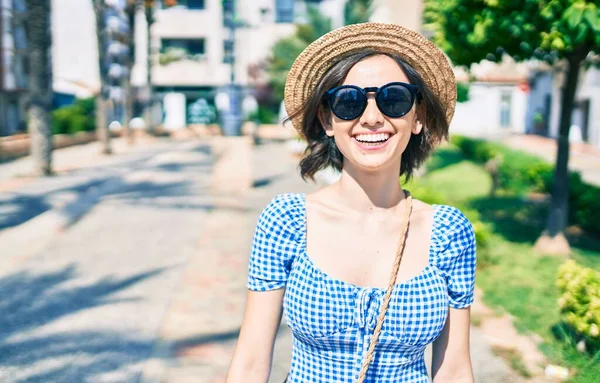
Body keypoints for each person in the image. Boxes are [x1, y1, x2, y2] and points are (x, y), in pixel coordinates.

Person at [227, 22, 476, 383]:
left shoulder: (449, 231)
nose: (372, 118)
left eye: (393, 99)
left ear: (418, 116)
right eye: (349, 102)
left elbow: (454, 371)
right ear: (327, 120)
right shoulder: (287, 221)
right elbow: (250, 363)